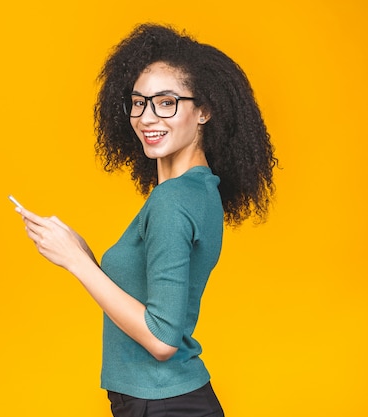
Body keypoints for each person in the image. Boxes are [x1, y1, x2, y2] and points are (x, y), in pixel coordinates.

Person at [14, 23, 276, 417]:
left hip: (164, 403)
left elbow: (161, 338)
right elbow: (146, 300)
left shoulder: (173, 200)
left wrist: (77, 263)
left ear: (204, 110)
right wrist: (83, 252)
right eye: (138, 103)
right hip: (160, 400)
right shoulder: (199, 190)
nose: (147, 117)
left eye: (166, 102)